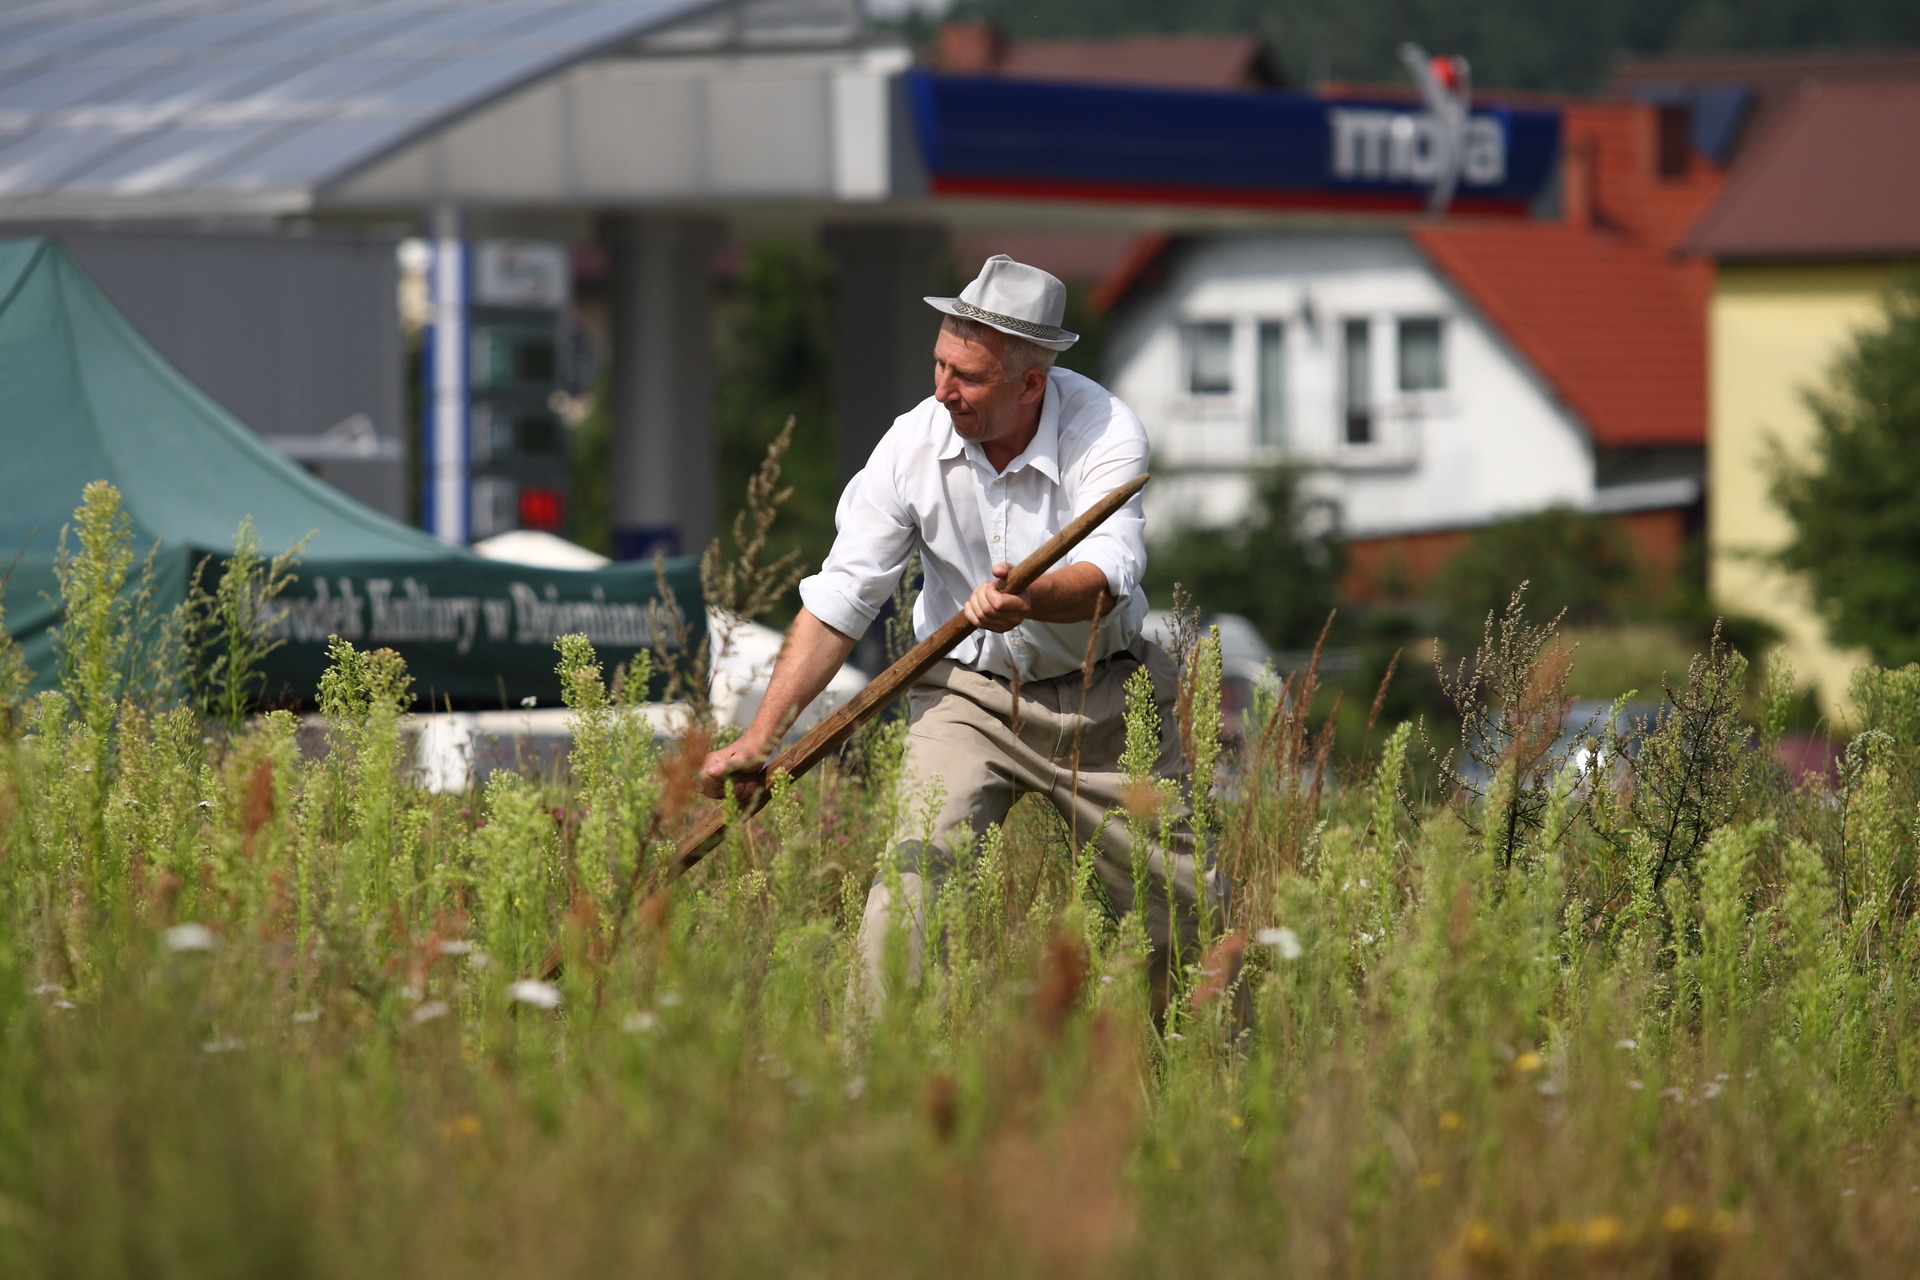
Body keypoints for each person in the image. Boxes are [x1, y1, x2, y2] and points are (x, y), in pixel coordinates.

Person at [699, 255, 1222, 1014]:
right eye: (941, 365)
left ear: (1030, 384)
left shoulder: (1105, 431)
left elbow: (1112, 570)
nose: (945, 389)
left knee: (1178, 927)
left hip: (1104, 699)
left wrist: (1031, 598)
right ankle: (871, 1088)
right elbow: (843, 596)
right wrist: (763, 737)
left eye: (968, 378)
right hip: (967, 696)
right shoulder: (912, 444)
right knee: (907, 896)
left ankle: (1199, 1078)